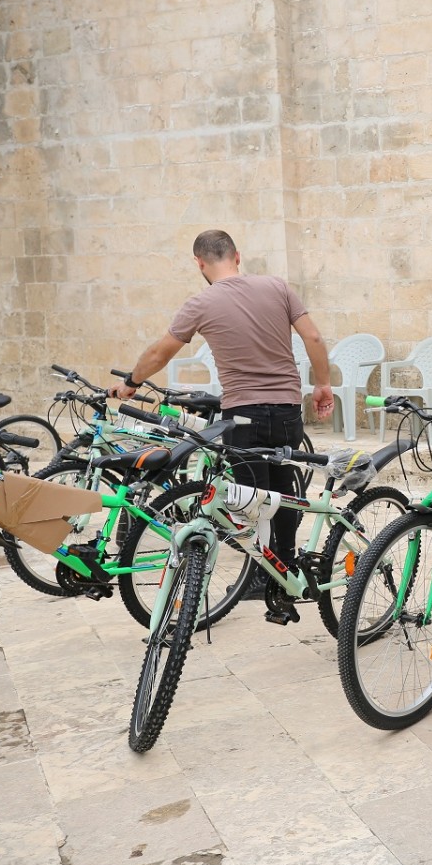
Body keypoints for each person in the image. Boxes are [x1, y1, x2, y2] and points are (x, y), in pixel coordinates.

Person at [111, 229, 335, 624]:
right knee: (284, 488)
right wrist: (321, 384)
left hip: (243, 413)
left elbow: (160, 353)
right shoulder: (277, 287)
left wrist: (130, 383)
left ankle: (261, 574)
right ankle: (286, 567)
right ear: (237, 255)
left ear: (199, 263)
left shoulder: (200, 303)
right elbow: (313, 336)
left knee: (251, 497)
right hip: (286, 408)